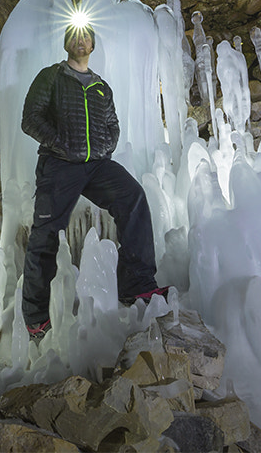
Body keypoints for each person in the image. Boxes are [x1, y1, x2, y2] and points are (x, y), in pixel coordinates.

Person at [19, 21, 168, 340]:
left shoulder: (101, 87)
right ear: (67, 43)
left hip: (97, 165)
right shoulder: (52, 77)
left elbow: (113, 125)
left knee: (134, 198)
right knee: (45, 233)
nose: (81, 40)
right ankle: (35, 317)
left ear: (93, 44)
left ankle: (138, 286)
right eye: (75, 36)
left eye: (86, 36)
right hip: (59, 164)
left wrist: (103, 148)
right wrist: (64, 145)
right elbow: (31, 119)